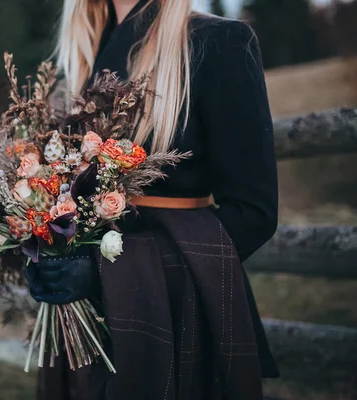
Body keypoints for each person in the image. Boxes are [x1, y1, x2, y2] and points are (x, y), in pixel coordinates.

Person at [25, 0, 280, 399]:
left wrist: (110, 274)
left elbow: (253, 214)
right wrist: (47, 251)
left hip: (175, 315)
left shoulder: (218, 43)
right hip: (89, 326)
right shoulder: (82, 62)